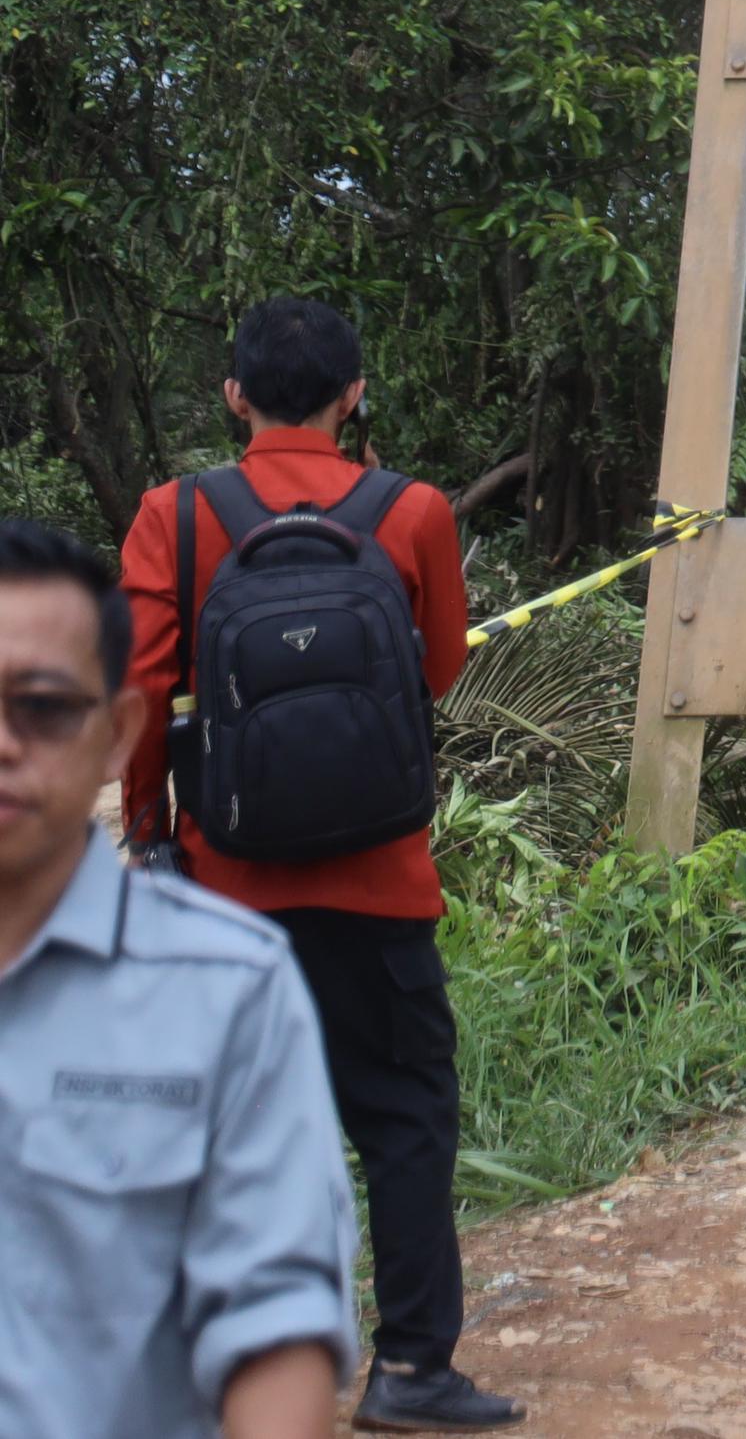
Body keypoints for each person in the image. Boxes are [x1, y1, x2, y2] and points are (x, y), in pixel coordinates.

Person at [123, 299, 517, 1433]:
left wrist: (153, 831)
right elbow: (436, 671)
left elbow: (142, 693)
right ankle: (409, 1372)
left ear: (234, 395)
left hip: (225, 888)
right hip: (380, 883)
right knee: (401, 1115)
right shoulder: (415, 510)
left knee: (215, 1130)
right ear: (355, 394)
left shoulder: (176, 515)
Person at [3, 519, 361, 1439]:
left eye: (41, 706)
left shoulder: (226, 995)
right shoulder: (391, 514)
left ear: (121, 730)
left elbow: (273, 1327)